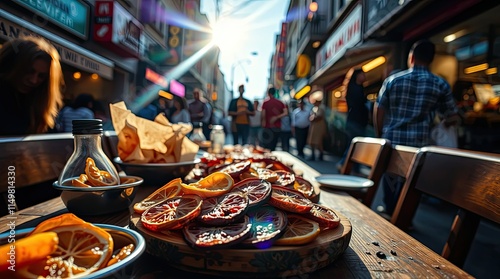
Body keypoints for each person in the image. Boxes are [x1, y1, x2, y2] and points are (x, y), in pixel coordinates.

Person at [373, 39, 459, 215]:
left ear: (411, 57)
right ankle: (405, 217)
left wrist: (380, 134)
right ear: (431, 60)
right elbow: (452, 116)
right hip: (419, 145)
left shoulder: (393, 80)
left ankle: (390, 210)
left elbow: (379, 109)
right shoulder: (440, 84)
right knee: (411, 182)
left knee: (390, 177)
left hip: (392, 139)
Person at [0, 36, 64, 136]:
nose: (33, 80)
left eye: (41, 76)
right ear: (12, 66)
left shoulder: (40, 105)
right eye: (29, 71)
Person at [337, 68, 369, 171]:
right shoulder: (356, 89)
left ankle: (353, 167)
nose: (364, 76)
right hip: (356, 121)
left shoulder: (356, 88)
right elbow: (358, 105)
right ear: (357, 75)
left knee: (355, 145)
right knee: (355, 145)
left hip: (355, 121)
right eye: (362, 74)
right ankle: (343, 163)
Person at [307, 91, 328, 161]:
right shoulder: (314, 108)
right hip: (314, 127)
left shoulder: (321, 107)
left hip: (319, 127)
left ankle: (320, 155)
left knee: (319, 142)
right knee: (312, 141)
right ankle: (313, 155)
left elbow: (319, 117)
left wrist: (313, 118)